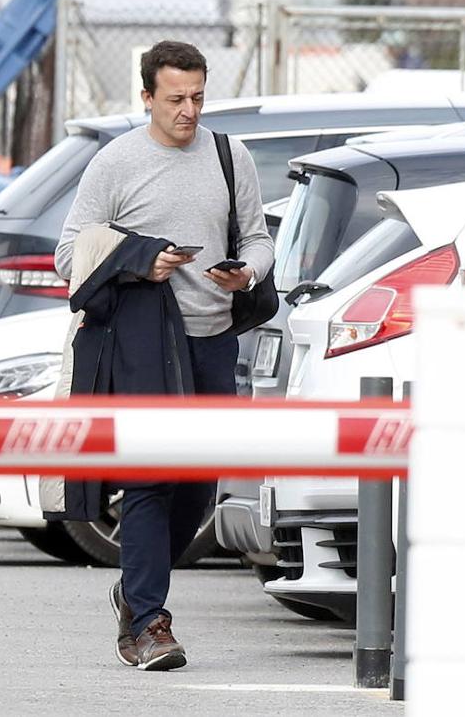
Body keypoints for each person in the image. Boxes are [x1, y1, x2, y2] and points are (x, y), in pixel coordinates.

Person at [54, 40, 274, 672]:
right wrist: (141, 260)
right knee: (150, 479)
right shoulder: (115, 163)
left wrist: (246, 274)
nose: (188, 111)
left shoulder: (232, 156)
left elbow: (258, 237)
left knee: (198, 486)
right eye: (175, 98)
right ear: (146, 96)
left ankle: (133, 588)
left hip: (212, 340)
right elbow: (69, 256)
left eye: (198, 98)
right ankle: (147, 623)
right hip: (144, 344)